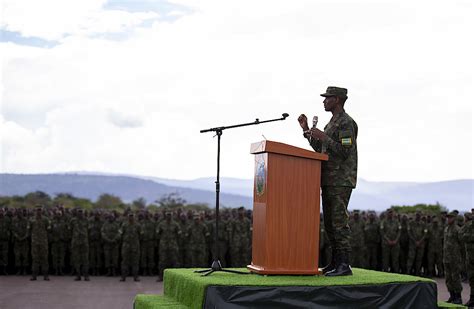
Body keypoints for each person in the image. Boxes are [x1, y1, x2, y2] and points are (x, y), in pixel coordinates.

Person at [298, 86, 358, 276]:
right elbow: (321, 149)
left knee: (339, 222)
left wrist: (323, 136)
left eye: (327, 98)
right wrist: (307, 130)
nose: (324, 101)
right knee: (331, 223)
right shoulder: (331, 123)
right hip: (328, 178)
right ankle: (335, 262)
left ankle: (344, 265)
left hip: (341, 179)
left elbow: (345, 151)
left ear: (338, 100)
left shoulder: (346, 123)